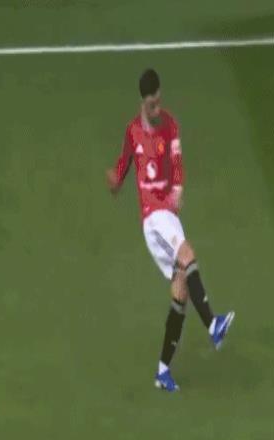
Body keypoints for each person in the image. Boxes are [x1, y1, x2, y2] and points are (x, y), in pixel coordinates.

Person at [106, 68, 234, 392]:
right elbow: (122, 166)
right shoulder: (133, 132)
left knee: (181, 291)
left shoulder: (170, 124)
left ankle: (163, 372)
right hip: (153, 218)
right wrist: (115, 181)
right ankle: (213, 324)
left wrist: (178, 187)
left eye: (159, 102)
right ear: (142, 102)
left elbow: (176, 162)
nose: (157, 109)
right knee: (187, 254)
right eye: (152, 105)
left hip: (169, 214)